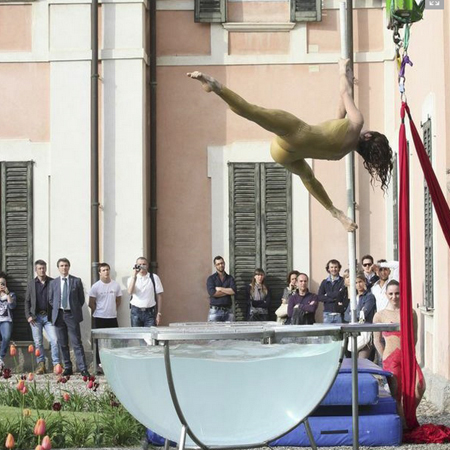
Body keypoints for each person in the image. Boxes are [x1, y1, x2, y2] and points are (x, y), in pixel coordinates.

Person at [187, 59, 393, 232]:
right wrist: (348, 78)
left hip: (296, 133)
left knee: (253, 112)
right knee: (308, 177)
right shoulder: (342, 151)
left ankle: (215, 86)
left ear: (368, 137)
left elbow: (345, 94)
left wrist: (341, 70)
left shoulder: (357, 123)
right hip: (284, 156)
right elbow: (340, 112)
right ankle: (336, 213)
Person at [373, 280, 425, 425]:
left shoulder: (410, 312)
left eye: (397, 293)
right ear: (386, 294)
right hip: (391, 357)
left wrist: (409, 353)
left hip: (408, 356)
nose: (394, 297)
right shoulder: (380, 315)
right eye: (391, 294)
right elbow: (376, 340)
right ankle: (402, 424)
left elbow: (414, 336)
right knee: (396, 392)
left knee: (420, 385)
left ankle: (408, 415)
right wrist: (385, 356)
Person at [48, 258, 90, 377]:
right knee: (62, 343)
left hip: (71, 315)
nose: (64, 268)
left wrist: (73, 308)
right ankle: (68, 367)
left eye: (66, 265)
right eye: (61, 266)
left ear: (69, 267)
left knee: (76, 342)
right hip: (59, 315)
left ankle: (83, 368)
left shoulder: (76, 281)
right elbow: (51, 300)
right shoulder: (53, 283)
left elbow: (81, 299)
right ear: (58, 268)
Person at [25, 260, 61, 375]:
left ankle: (56, 364)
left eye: (44, 268)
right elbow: (27, 301)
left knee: (54, 340)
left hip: (49, 317)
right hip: (35, 318)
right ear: (36, 270)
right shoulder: (31, 283)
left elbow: (57, 299)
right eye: (40, 268)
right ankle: (41, 365)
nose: (42, 270)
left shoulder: (53, 282)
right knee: (38, 342)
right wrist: (28, 316)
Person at [89, 263, 122, 374]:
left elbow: (118, 300)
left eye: (107, 269)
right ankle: (99, 365)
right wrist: (99, 310)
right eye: (103, 270)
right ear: (99, 272)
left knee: (113, 342)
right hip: (99, 317)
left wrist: (112, 309)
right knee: (99, 342)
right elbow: (91, 303)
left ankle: (112, 363)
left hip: (112, 317)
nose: (106, 272)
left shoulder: (116, 285)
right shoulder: (96, 286)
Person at [127, 257, 163, 327]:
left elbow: (159, 295)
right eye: (139, 264)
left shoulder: (154, 277)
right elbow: (130, 292)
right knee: (137, 335)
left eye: (144, 264)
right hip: (136, 311)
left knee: (150, 336)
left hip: (150, 312)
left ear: (147, 265)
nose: (142, 266)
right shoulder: (132, 279)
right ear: (136, 265)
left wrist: (159, 313)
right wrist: (134, 275)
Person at [353, 271, 377, 359]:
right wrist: (357, 313)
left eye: (360, 282)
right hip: (355, 332)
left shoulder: (369, 296)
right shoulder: (353, 297)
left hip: (366, 331)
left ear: (364, 282)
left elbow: (364, 313)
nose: (358, 285)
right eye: (356, 283)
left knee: (362, 361)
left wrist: (354, 314)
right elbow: (346, 315)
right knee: (354, 362)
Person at [206, 256, 237, 322]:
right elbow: (213, 293)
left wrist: (220, 289)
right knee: (214, 332)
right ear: (215, 265)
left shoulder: (230, 278)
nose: (221, 265)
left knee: (230, 332)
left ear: (224, 263)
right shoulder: (211, 279)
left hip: (228, 311)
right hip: (215, 311)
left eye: (222, 263)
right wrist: (227, 291)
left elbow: (233, 291)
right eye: (218, 264)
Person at [318, 259, 345, 323]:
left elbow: (341, 294)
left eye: (336, 267)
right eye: (332, 267)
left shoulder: (343, 281)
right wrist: (334, 299)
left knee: (339, 333)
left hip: (339, 313)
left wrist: (327, 294)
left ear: (339, 268)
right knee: (328, 333)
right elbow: (320, 297)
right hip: (327, 313)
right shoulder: (324, 282)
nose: (334, 269)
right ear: (328, 269)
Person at [0, 272, 16, 369]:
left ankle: (0, 358)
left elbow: (12, 306)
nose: (1, 285)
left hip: (6, 320)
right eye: (0, 283)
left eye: (3, 283)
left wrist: (7, 294)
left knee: (6, 337)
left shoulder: (11, 294)